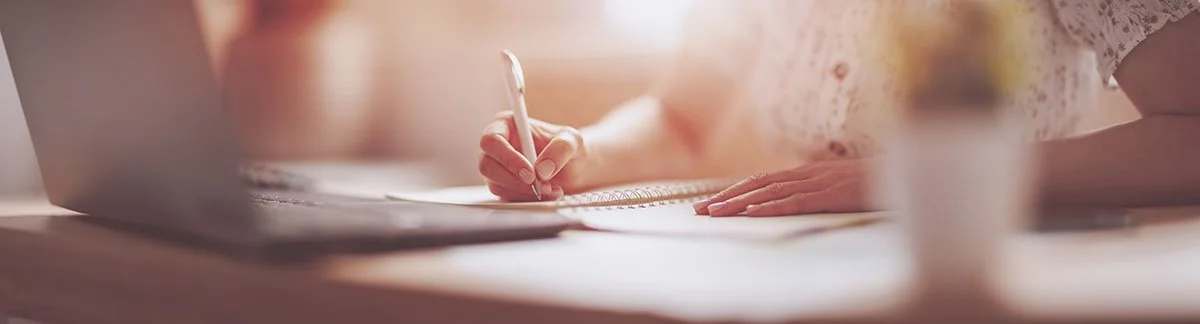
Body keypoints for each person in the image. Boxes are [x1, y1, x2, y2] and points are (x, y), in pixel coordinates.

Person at [477, 0, 1200, 217]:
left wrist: (898, 179)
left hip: (987, 264)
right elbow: (680, 121)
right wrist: (580, 152)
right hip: (803, 271)